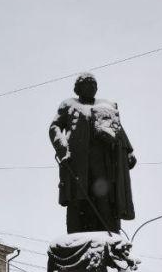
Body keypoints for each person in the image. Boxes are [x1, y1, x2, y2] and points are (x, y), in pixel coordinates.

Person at [48, 73, 136, 234]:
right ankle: (76, 234)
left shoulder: (107, 106)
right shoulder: (69, 105)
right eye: (87, 84)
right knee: (78, 199)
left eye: (94, 85)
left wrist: (128, 153)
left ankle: (109, 233)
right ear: (78, 89)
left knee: (104, 199)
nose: (92, 88)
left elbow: (118, 131)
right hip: (77, 163)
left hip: (103, 163)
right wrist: (62, 149)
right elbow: (54, 128)